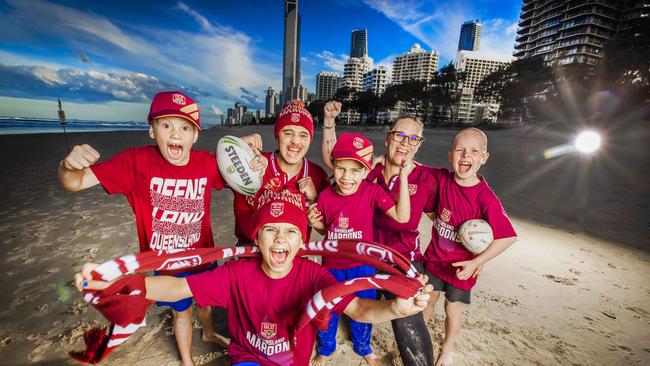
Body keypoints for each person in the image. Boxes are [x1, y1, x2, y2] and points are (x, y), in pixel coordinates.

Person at [73, 197, 433, 366]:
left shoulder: (315, 275)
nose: (280, 239)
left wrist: (395, 307)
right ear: (256, 240)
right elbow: (178, 287)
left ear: (301, 242)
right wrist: (120, 279)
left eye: (291, 231)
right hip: (248, 357)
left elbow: (358, 308)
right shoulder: (236, 272)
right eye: (270, 231)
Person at [58, 91, 265, 366]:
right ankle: (187, 360)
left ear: (195, 135)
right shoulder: (135, 162)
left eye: (185, 127)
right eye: (166, 125)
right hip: (169, 264)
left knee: (205, 302)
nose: (176, 134)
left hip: (203, 254)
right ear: (152, 131)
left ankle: (210, 333)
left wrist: (253, 158)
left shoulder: (206, 163)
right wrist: (67, 166)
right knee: (182, 313)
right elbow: (73, 182)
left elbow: (248, 178)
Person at [321, 103, 439, 365]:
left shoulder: (427, 178)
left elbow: (441, 213)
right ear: (388, 138)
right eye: (399, 135)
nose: (405, 143)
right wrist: (329, 122)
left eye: (413, 138)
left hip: (402, 260)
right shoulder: (368, 173)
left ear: (419, 144)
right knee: (359, 308)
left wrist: (440, 262)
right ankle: (346, 342)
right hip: (366, 259)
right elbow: (336, 160)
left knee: (408, 322)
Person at [309, 132, 413, 365]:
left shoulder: (372, 192)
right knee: (329, 309)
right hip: (331, 267)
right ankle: (326, 348)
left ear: (366, 172)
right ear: (333, 166)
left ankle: (363, 346)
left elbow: (402, 216)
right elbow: (329, 232)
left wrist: (403, 176)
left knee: (364, 310)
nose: (347, 177)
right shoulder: (325, 196)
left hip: (363, 267)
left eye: (356, 170)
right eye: (341, 168)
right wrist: (316, 224)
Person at [422, 128, 517, 366]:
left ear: (483, 158)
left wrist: (477, 261)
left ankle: (447, 350)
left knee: (452, 309)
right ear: (450, 154)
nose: (466, 155)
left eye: (474, 151)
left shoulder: (485, 198)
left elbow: (507, 237)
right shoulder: (442, 178)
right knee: (427, 301)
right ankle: (419, 338)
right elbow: (415, 167)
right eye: (460, 150)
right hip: (434, 259)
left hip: (462, 267)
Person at [232, 100, 329, 244]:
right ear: (278, 135)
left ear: (310, 139)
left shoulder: (318, 175)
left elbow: (326, 229)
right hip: (249, 255)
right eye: (288, 133)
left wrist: (315, 200)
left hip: (293, 259)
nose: (295, 141)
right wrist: (238, 146)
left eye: (303, 135)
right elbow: (210, 168)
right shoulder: (253, 160)